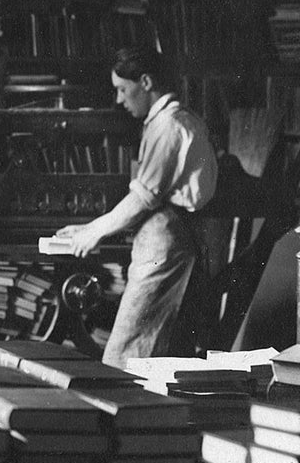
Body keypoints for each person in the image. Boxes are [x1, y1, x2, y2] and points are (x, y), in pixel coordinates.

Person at [55, 45, 218, 367]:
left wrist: (95, 232)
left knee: (126, 354)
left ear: (145, 82)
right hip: (164, 236)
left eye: (122, 90)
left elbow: (145, 198)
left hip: (168, 241)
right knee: (151, 352)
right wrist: (90, 228)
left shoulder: (170, 125)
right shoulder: (169, 122)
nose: (119, 100)